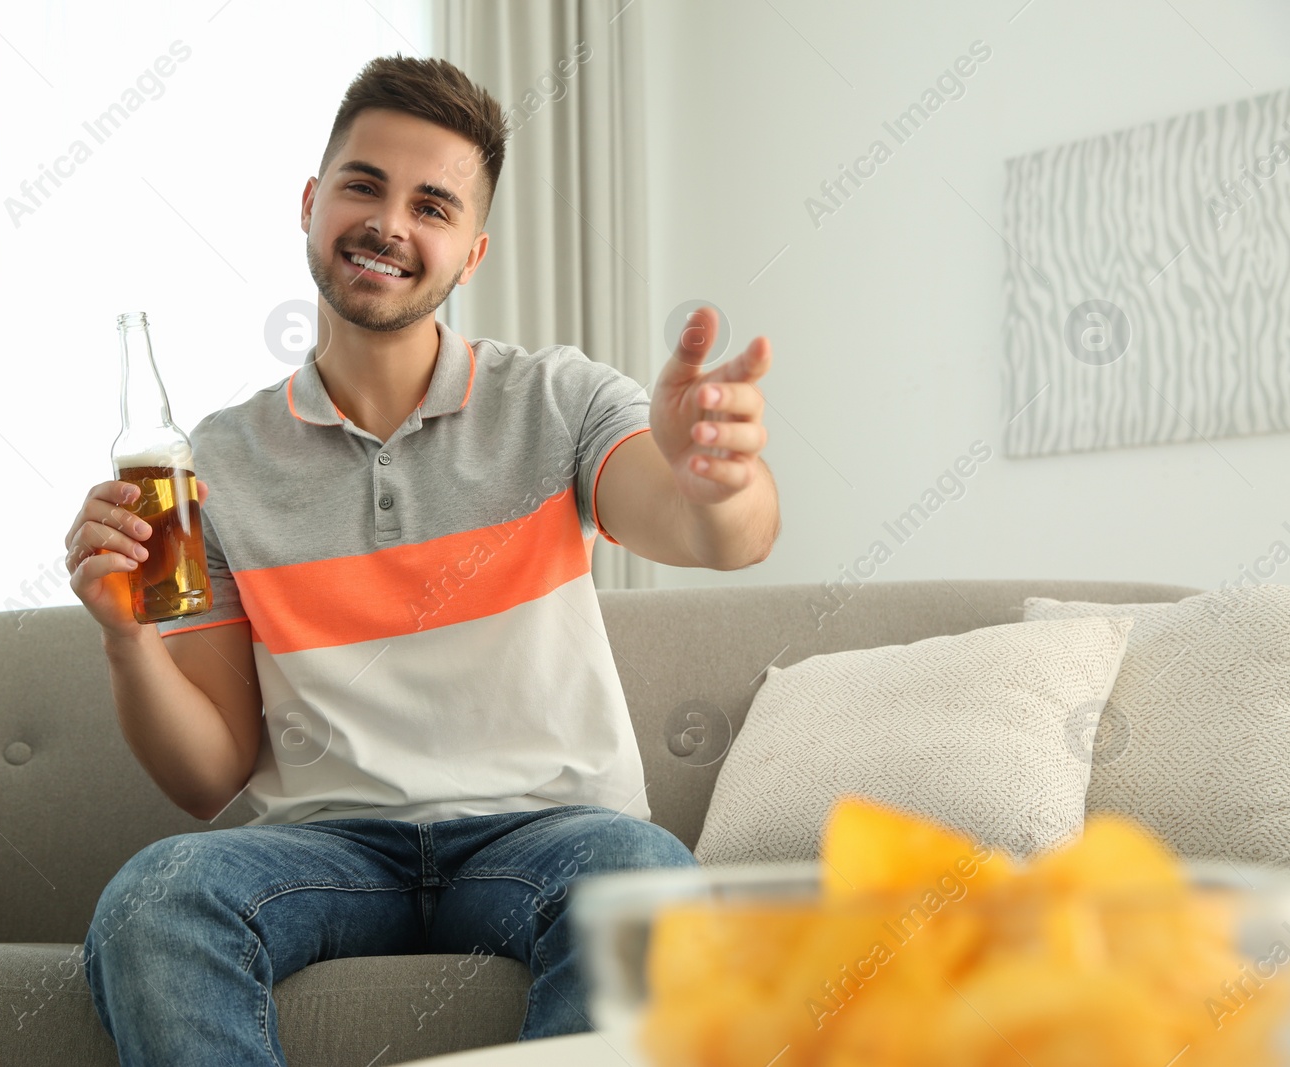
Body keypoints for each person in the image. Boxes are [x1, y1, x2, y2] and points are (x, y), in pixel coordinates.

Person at [65, 53, 779, 1066]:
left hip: (550, 831)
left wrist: (719, 481)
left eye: (431, 204)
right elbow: (206, 774)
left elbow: (715, 532)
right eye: (363, 185)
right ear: (312, 203)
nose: (390, 223)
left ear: (470, 251)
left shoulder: (558, 401)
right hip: (330, 850)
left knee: (643, 876)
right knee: (156, 894)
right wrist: (128, 641)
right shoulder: (214, 464)